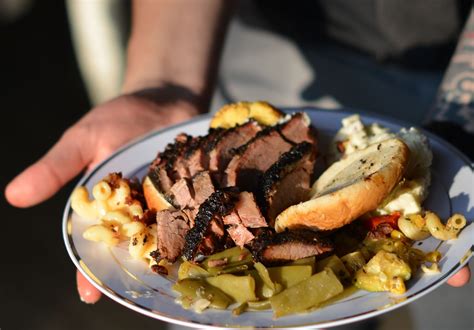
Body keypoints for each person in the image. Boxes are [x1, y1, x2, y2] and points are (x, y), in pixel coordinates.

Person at [5, 0, 472, 304]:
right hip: (269, 45)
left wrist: (463, 117)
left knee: (442, 300)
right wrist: (164, 80)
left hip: (459, 57)